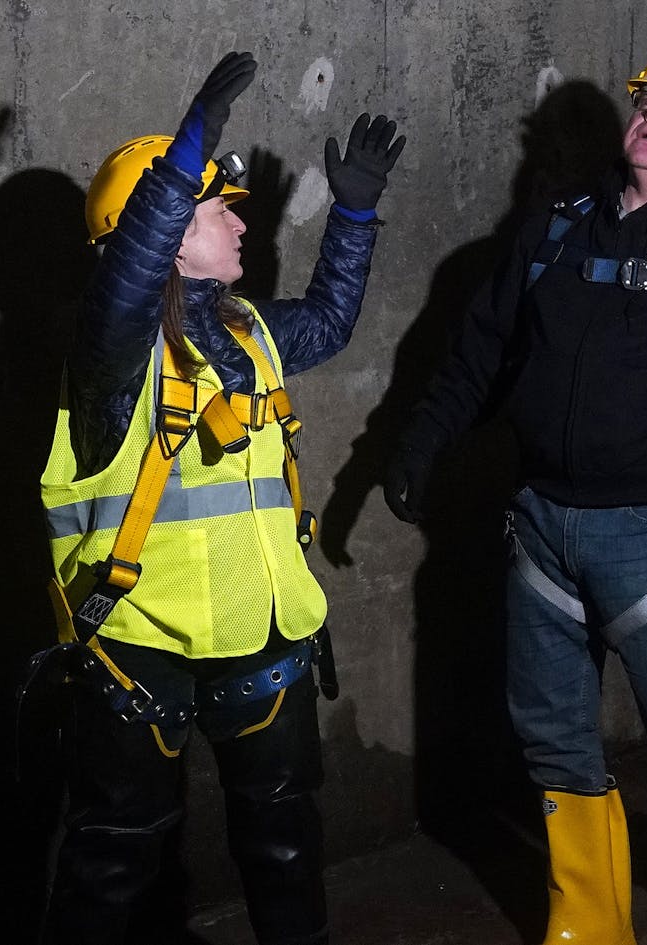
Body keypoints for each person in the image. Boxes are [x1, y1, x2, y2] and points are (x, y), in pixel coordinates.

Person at [383, 42, 647, 945]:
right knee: (551, 733)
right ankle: (588, 916)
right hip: (540, 523)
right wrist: (419, 446)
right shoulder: (557, 228)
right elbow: (479, 353)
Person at [35, 51, 404, 945]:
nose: (238, 221)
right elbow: (127, 286)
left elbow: (330, 317)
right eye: (216, 209)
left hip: (259, 631)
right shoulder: (112, 354)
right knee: (115, 856)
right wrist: (183, 159)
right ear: (158, 233)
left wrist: (352, 215)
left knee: (283, 845)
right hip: (137, 647)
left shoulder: (248, 331)